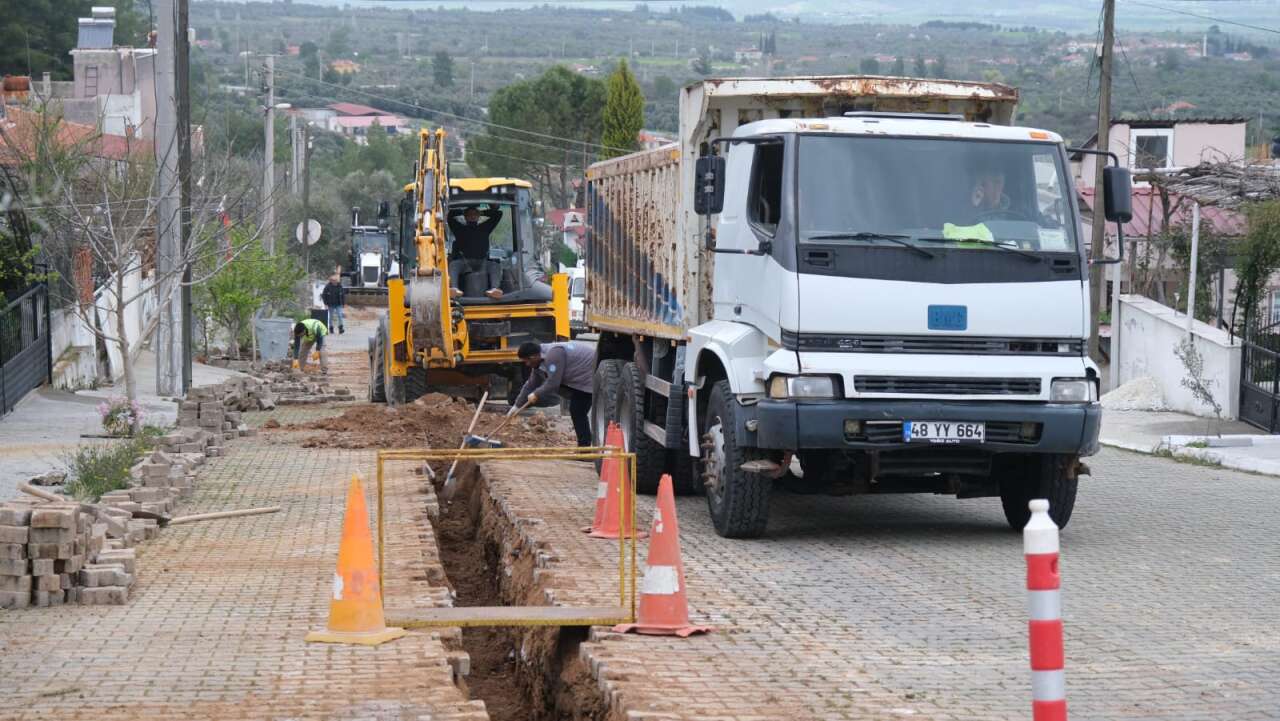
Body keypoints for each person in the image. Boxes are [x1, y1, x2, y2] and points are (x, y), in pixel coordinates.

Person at [510, 341, 594, 447]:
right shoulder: (539, 360)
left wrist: (536, 394)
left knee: (578, 411)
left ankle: (585, 448)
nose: (527, 364)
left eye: (527, 361)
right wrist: (516, 406)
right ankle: (586, 443)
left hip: (587, 375)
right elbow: (531, 384)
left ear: (533, 356)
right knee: (577, 411)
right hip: (578, 376)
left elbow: (553, 383)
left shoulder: (554, 355)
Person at [447, 206, 504, 300]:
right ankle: (454, 289)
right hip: (464, 263)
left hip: (482, 262)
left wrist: (481, 212)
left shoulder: (485, 227)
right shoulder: (459, 228)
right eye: (469, 215)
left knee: (495, 265)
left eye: (475, 214)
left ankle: (494, 289)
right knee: (453, 265)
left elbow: (498, 214)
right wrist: (462, 211)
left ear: (478, 216)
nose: (472, 216)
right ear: (465, 217)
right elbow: (449, 217)